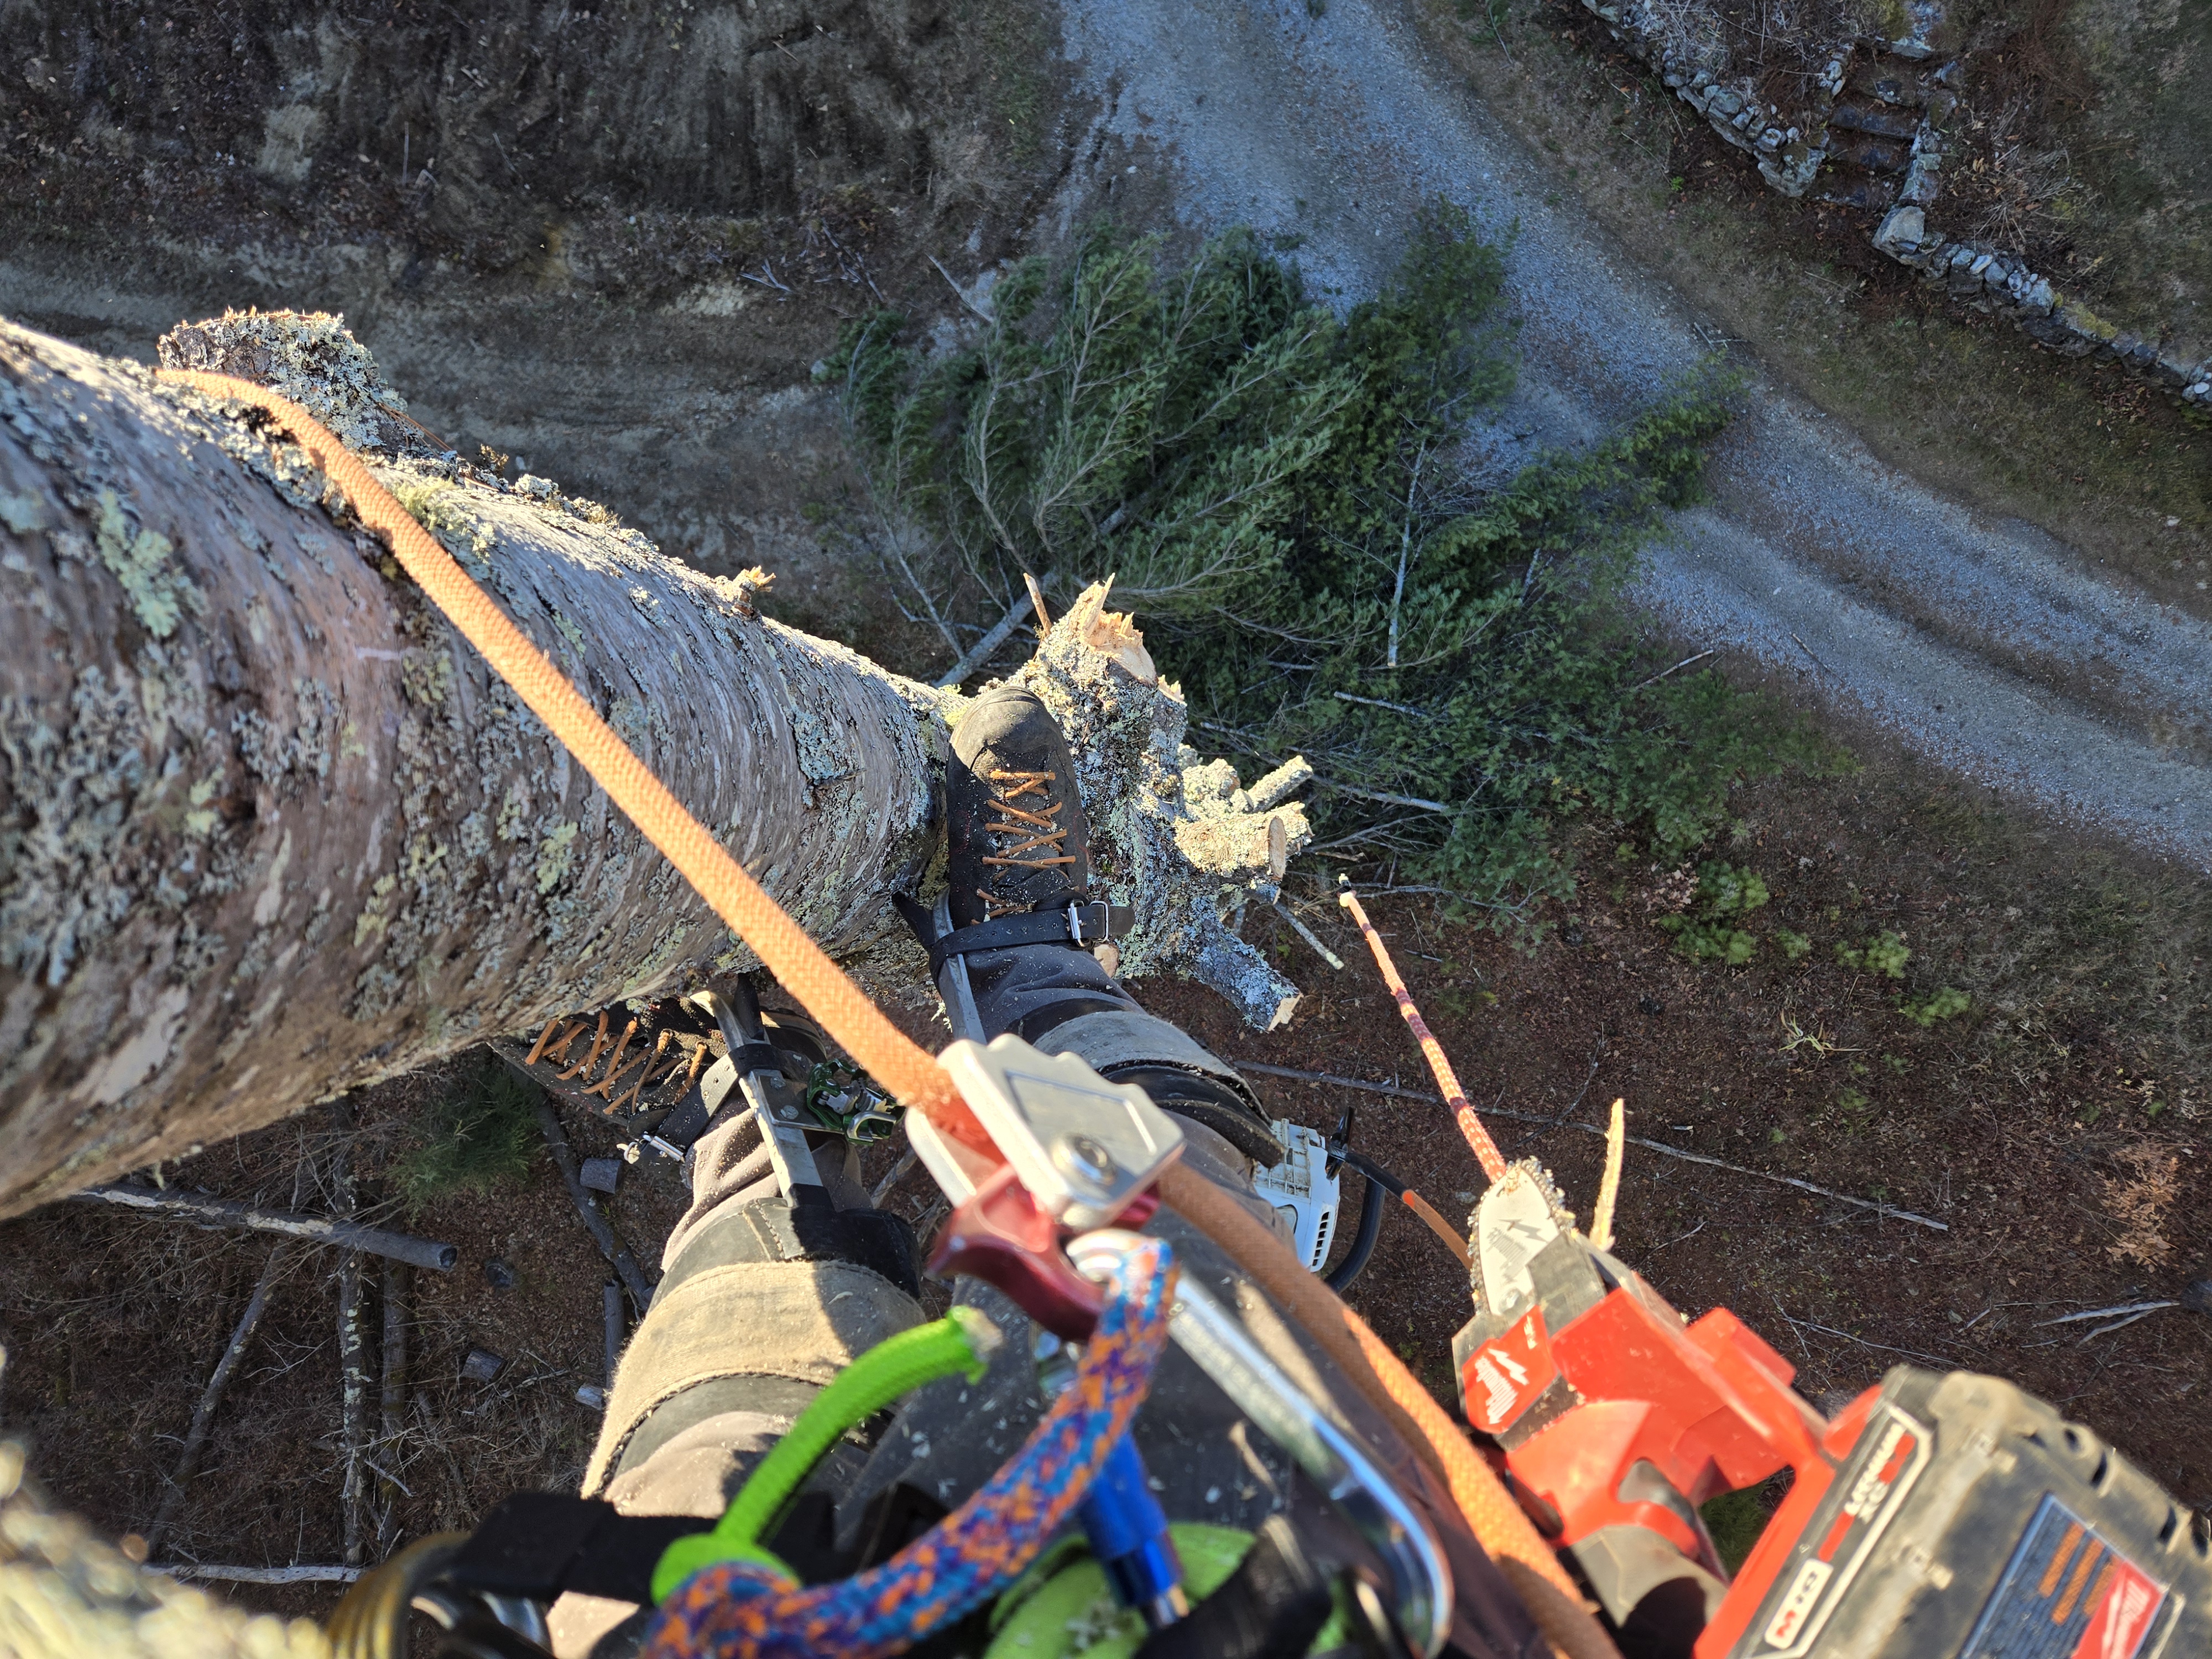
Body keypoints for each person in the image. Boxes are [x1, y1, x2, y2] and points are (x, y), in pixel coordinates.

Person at [548, 687, 1549, 1659]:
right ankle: (1041, 982)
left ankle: (748, 1120)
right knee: (1176, 1218)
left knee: (717, 1415)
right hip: (1321, 1576)